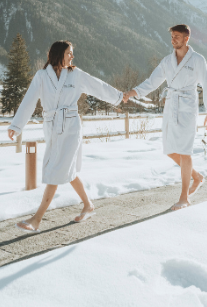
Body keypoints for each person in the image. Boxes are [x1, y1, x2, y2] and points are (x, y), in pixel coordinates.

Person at [8, 40, 123, 232]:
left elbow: (98, 86)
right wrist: (16, 125)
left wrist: (119, 96)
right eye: (69, 53)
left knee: (57, 168)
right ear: (59, 54)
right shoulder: (42, 76)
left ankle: (37, 219)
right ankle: (88, 205)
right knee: (66, 169)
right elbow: (29, 100)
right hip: (52, 127)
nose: (72, 56)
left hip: (71, 128)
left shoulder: (75, 75)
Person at [123, 24, 207, 210]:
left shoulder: (197, 59)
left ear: (187, 38)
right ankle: (196, 177)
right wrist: (132, 93)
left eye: (177, 36)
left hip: (188, 106)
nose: (173, 39)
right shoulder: (167, 61)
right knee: (170, 149)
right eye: (172, 36)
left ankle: (184, 197)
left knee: (185, 150)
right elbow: (152, 82)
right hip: (171, 104)